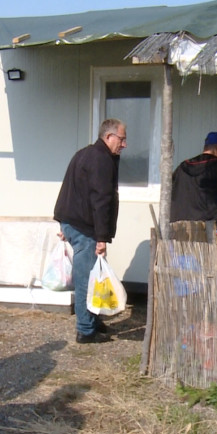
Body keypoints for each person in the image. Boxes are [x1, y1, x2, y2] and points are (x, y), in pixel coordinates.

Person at [53, 118, 127, 344]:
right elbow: (101, 199)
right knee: (87, 279)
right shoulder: (101, 159)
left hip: (73, 222)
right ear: (109, 137)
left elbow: (70, 189)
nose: (124, 145)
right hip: (85, 227)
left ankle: (92, 320)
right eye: (122, 139)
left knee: (95, 276)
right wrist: (101, 237)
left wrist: (64, 223)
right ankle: (85, 330)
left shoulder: (84, 154)